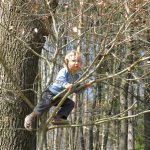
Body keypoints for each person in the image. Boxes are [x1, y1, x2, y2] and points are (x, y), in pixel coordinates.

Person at [24, 50, 92, 131]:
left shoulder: (77, 77)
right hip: (50, 93)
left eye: (79, 61)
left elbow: (77, 90)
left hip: (59, 98)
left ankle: (58, 118)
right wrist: (66, 85)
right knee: (46, 102)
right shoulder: (64, 71)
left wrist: (85, 86)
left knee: (70, 103)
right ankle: (30, 117)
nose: (76, 63)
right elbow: (59, 80)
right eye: (73, 61)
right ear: (67, 62)